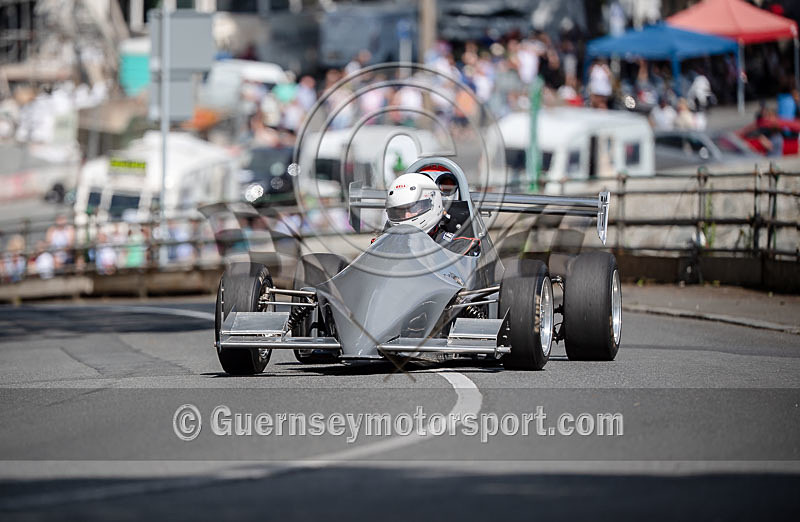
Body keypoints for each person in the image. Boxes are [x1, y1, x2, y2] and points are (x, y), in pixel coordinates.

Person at [384, 173, 478, 256]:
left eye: (414, 208)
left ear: (434, 203)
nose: (407, 216)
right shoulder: (383, 248)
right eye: (400, 212)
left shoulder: (459, 249)